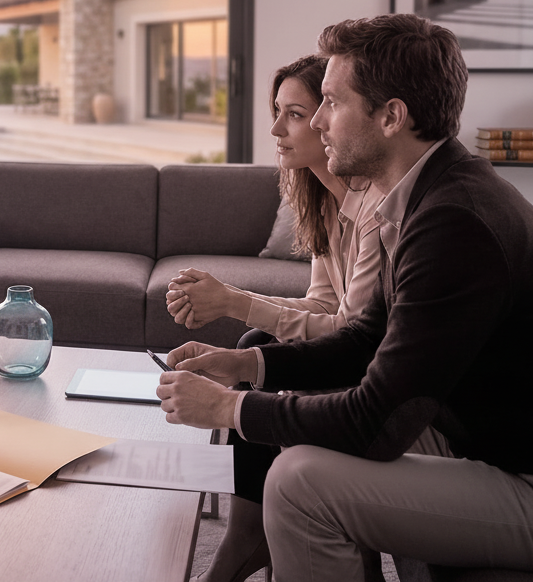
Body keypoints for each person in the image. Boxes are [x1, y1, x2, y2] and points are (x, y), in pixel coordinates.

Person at [157, 13, 533, 580]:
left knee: (299, 483)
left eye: (331, 103)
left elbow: (377, 422)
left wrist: (229, 409)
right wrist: (246, 362)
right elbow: (368, 338)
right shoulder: (432, 195)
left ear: (392, 116)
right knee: (303, 423)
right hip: (513, 453)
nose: (317, 122)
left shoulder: (456, 222)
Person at [165, 54, 386, 582]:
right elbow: (320, 306)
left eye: (294, 113)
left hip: (378, 369)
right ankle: (249, 533)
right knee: (259, 338)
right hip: (356, 350)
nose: (275, 129)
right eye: (276, 111)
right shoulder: (325, 200)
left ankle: (248, 540)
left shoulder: (376, 211)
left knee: (256, 340)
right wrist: (228, 299)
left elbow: (355, 336)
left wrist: (232, 303)